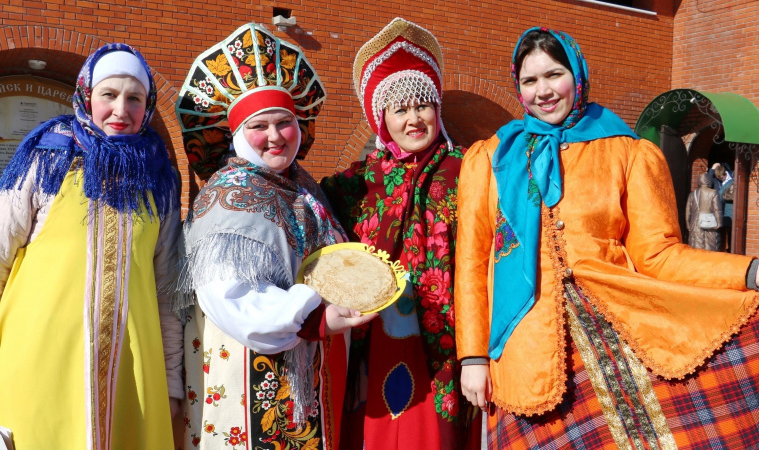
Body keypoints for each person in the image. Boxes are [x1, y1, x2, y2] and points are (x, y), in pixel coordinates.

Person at [455, 27, 759, 449]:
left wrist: (749, 271)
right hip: (526, 355)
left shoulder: (626, 152)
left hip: (620, 339)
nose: (543, 90)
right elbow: (471, 263)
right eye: (530, 81)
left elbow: (660, 255)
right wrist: (472, 356)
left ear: (577, 75)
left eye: (553, 74)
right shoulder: (489, 159)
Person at [0, 43, 183, 449]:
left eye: (134, 98)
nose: (121, 110)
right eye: (108, 94)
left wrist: (171, 382)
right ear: (87, 96)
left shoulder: (159, 179)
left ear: (148, 105)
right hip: (36, 370)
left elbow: (167, 293)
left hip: (130, 382)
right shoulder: (46, 159)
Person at [176, 23, 374, 450]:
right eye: (259, 126)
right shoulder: (226, 197)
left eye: (284, 122)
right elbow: (231, 298)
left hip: (316, 376)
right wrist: (311, 319)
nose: (274, 136)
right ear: (235, 136)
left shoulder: (304, 187)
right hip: (254, 373)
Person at [321, 17, 483, 450]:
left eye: (423, 105)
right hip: (372, 347)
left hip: (449, 348)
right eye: (401, 108)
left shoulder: (470, 171)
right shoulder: (351, 185)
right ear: (381, 118)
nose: (414, 119)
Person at [686, 172, 723, 251]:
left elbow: (688, 211)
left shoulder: (692, 194)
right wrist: (719, 223)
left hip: (695, 224)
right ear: (709, 181)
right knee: (710, 247)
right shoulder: (713, 192)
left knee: (696, 247)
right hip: (710, 224)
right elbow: (717, 210)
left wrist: (688, 224)